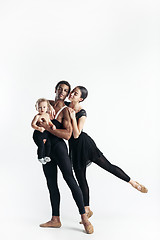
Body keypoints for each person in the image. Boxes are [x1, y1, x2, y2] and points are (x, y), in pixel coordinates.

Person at [66, 86, 148, 220]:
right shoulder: (65, 105)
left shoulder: (82, 112)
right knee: (81, 179)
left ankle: (133, 182)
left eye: (75, 94)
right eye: (72, 92)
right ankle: (87, 209)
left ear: (80, 99)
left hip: (85, 144)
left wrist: (72, 117)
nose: (71, 94)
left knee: (108, 166)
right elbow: (53, 103)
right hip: (74, 148)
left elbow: (76, 134)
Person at [37, 81, 94, 234]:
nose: (62, 92)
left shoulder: (67, 111)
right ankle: (55, 219)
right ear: (55, 89)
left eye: (66, 90)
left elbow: (68, 135)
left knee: (70, 179)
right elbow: (37, 114)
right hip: (47, 151)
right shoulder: (46, 105)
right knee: (51, 183)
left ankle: (84, 218)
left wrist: (48, 127)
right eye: (60, 89)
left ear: (68, 93)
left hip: (59, 148)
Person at [31, 98, 56, 164]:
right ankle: (40, 157)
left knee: (48, 144)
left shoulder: (47, 115)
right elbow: (32, 124)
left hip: (45, 133)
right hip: (38, 134)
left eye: (44, 107)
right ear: (36, 108)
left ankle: (46, 156)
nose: (42, 109)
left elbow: (49, 122)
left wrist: (52, 125)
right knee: (41, 145)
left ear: (47, 108)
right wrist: (38, 128)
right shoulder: (37, 116)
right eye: (40, 107)